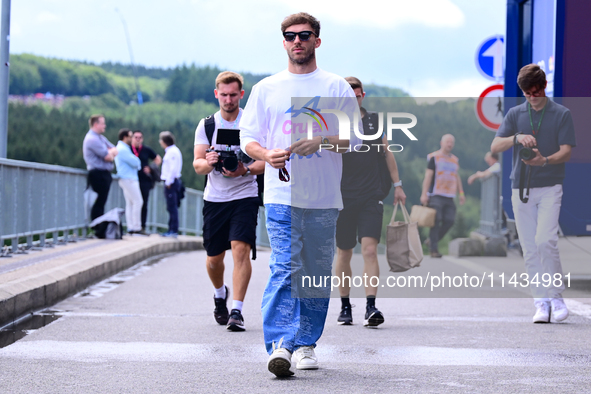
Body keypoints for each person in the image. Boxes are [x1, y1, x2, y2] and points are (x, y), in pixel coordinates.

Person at [240, 12, 361, 377]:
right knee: (283, 267)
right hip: (280, 193)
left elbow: (355, 140)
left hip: (324, 198)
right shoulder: (266, 89)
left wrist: (321, 141)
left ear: (316, 41)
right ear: (284, 43)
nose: (297, 41)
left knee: (315, 274)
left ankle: (306, 342)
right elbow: (249, 139)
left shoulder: (336, 86)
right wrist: (265, 155)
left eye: (304, 35)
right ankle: (280, 345)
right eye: (290, 36)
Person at [491, 63, 576, 323]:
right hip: (521, 187)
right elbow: (495, 145)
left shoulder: (561, 114)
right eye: (527, 93)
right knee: (529, 247)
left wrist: (545, 160)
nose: (532, 97)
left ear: (544, 87)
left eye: (535, 92)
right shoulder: (516, 114)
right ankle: (540, 301)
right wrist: (517, 138)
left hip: (550, 184)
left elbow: (567, 151)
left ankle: (556, 297)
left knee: (545, 241)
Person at [193, 71, 265, 332]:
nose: (228, 99)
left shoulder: (251, 123)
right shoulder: (207, 125)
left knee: (240, 249)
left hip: (244, 195)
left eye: (233, 94)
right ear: (216, 94)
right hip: (215, 198)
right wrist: (209, 162)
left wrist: (244, 170)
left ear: (241, 94)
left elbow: (263, 162)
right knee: (214, 258)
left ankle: (237, 310)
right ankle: (219, 292)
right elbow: (197, 164)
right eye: (223, 94)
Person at [334, 76, 406, 328]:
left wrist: (397, 186)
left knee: (369, 249)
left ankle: (370, 305)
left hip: (371, 195)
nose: (354, 101)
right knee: (343, 251)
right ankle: (345, 306)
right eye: (349, 97)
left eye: (357, 96)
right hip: (341, 197)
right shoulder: (335, 122)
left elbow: (387, 152)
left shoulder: (374, 121)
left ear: (362, 95)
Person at [420, 134, 465, 258]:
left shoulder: (454, 160)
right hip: (436, 194)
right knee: (436, 219)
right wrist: (424, 194)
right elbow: (428, 176)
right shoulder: (434, 158)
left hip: (449, 195)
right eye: (447, 142)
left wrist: (461, 192)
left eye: (451, 142)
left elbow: (457, 176)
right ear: (442, 143)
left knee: (449, 220)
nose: (449, 144)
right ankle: (434, 249)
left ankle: (431, 240)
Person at [83, 114, 118, 221]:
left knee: (102, 202)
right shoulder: (92, 139)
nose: (105, 126)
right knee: (98, 202)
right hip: (97, 174)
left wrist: (110, 152)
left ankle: (99, 225)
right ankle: (97, 226)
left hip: (104, 174)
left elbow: (115, 149)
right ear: (95, 124)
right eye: (102, 123)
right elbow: (108, 157)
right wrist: (109, 153)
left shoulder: (100, 138)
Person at [114, 128, 145, 235]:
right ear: (125, 137)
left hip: (127, 178)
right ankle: (136, 227)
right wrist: (137, 162)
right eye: (131, 136)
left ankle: (131, 227)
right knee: (138, 201)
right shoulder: (122, 149)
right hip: (129, 178)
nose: (132, 139)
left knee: (130, 204)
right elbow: (136, 162)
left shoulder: (124, 148)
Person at [131, 130, 162, 232]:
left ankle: (142, 226)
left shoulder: (146, 149)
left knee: (143, 203)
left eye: (140, 137)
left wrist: (151, 168)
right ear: (132, 138)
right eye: (136, 137)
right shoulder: (128, 149)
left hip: (144, 180)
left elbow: (158, 159)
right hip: (132, 179)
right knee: (133, 203)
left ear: (142, 139)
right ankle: (132, 225)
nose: (138, 139)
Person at [159, 131, 183, 238]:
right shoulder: (171, 151)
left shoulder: (172, 152)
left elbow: (173, 168)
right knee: (171, 207)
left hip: (171, 182)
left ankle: (173, 230)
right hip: (172, 181)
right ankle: (171, 229)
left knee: (172, 207)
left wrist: (168, 181)